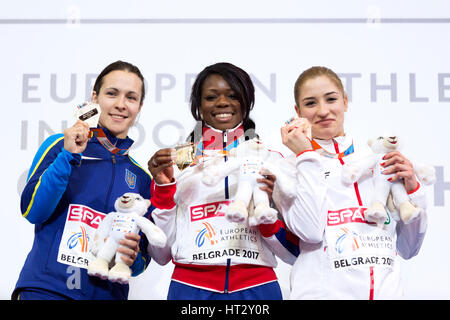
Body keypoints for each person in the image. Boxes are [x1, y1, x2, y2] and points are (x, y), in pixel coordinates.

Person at [13, 60, 169, 300]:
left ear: (139, 106)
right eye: (111, 93)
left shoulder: (141, 178)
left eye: (131, 97)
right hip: (46, 291)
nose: (120, 105)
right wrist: (68, 156)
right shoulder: (60, 145)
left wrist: (132, 258)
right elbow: (34, 211)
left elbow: (142, 262)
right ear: (94, 98)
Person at [148, 62, 299, 300]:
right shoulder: (176, 164)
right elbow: (160, 254)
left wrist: (268, 221)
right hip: (190, 289)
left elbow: (293, 253)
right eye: (211, 96)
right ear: (198, 105)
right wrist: (164, 189)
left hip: (257, 289)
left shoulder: (271, 160)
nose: (222, 103)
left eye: (232, 95)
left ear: (246, 102)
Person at [276, 66, 428, 299]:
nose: (323, 111)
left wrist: (414, 190)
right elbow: (311, 232)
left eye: (331, 99)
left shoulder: (376, 161)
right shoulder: (289, 167)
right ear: (297, 112)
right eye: (310, 103)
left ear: (345, 102)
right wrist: (306, 157)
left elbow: (409, 248)